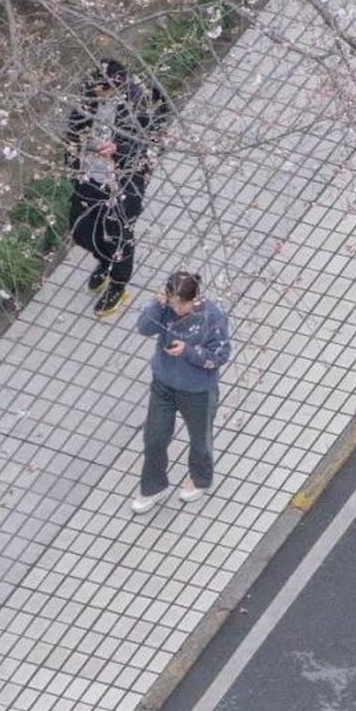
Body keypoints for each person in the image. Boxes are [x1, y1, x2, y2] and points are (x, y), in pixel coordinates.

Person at [65, 58, 169, 317]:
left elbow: (151, 140)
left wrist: (118, 151)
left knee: (118, 234)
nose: (99, 93)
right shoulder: (90, 99)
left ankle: (119, 283)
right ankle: (104, 260)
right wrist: (74, 159)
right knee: (81, 230)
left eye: (104, 88)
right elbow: (73, 131)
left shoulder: (137, 102)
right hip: (89, 175)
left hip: (122, 181)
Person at [131, 270, 233, 511]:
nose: (177, 310)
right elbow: (144, 328)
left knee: (200, 438)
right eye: (173, 303)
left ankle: (200, 477)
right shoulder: (165, 307)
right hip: (163, 384)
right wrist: (158, 303)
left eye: (182, 305)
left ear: (195, 298)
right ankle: (152, 486)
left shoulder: (212, 316)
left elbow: (220, 355)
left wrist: (188, 351)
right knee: (154, 437)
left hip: (198, 390)